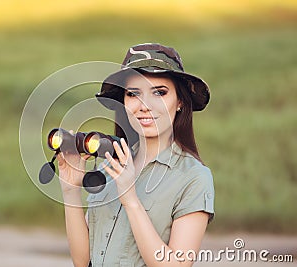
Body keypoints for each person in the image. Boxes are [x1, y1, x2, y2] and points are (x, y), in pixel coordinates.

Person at [57, 43, 215, 267]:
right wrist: (71, 190)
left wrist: (130, 199)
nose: (145, 106)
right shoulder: (110, 165)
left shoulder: (194, 178)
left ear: (180, 101)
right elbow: (83, 261)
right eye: (133, 94)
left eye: (159, 93)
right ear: (123, 102)